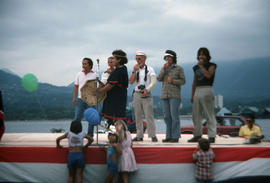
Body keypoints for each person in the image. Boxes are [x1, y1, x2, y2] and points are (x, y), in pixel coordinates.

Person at [188, 48, 217, 143]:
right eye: (200, 54)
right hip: (198, 90)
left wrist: (201, 66)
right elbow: (194, 82)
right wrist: (192, 95)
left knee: (209, 114)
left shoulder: (212, 65)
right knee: (196, 114)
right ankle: (197, 135)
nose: (201, 56)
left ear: (207, 56)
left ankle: (212, 136)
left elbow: (208, 75)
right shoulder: (195, 67)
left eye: (203, 54)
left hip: (207, 89)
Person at [157, 50, 186, 143]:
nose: (168, 59)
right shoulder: (164, 68)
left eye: (169, 57)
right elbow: (159, 78)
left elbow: (183, 81)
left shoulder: (179, 68)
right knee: (166, 116)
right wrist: (164, 69)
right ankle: (168, 136)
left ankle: (175, 136)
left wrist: (173, 81)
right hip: (164, 95)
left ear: (173, 58)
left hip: (174, 95)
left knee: (174, 116)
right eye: (166, 58)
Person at [129, 51, 158, 142]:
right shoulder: (136, 69)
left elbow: (153, 82)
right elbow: (131, 82)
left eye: (139, 58)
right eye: (136, 59)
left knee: (149, 115)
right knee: (138, 116)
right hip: (137, 93)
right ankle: (139, 135)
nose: (138, 60)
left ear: (144, 59)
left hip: (147, 94)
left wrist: (147, 90)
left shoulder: (150, 69)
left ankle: (152, 135)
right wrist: (134, 71)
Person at [98, 50, 129, 122]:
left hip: (116, 100)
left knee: (116, 120)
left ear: (119, 60)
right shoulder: (123, 68)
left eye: (114, 58)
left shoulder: (118, 71)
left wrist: (99, 91)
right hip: (119, 99)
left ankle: (118, 133)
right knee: (117, 120)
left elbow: (110, 85)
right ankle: (119, 133)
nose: (112, 60)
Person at [73, 57, 100, 137]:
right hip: (80, 98)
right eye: (82, 64)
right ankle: (76, 134)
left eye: (85, 64)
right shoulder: (79, 74)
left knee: (91, 118)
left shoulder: (95, 75)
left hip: (90, 99)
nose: (83, 65)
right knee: (77, 117)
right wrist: (74, 98)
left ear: (90, 65)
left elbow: (97, 87)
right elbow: (76, 86)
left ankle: (90, 135)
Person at [101, 56, 115, 128]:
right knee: (109, 116)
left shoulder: (120, 72)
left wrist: (112, 73)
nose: (110, 64)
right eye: (109, 62)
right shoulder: (105, 73)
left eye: (111, 62)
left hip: (117, 96)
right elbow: (102, 84)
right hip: (108, 96)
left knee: (116, 116)